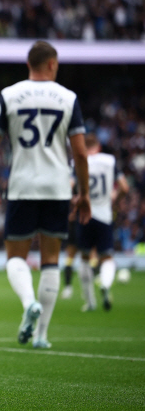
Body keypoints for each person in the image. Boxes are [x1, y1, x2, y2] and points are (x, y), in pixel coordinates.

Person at [0, 40, 91, 349]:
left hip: (23, 185)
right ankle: (42, 335)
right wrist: (83, 193)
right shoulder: (68, 98)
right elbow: (80, 154)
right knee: (51, 260)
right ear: (53, 64)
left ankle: (29, 301)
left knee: (15, 258)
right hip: (57, 187)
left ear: (28, 64)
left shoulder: (10, 95)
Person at [77, 134, 129, 312]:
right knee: (106, 257)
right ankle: (106, 284)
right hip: (104, 215)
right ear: (98, 147)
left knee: (84, 258)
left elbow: (69, 186)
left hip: (84, 215)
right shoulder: (109, 161)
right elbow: (124, 187)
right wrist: (113, 198)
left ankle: (90, 302)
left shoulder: (78, 161)